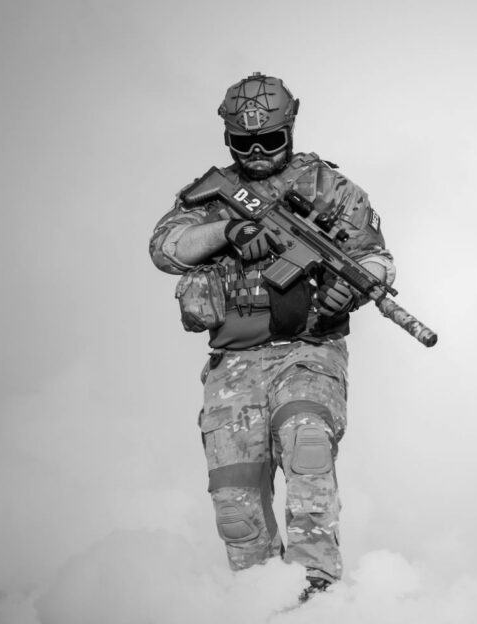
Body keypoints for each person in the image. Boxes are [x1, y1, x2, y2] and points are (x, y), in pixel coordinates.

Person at [149, 72, 395, 602]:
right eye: (244, 143)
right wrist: (228, 232)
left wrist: (351, 291)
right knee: (235, 506)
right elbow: (166, 247)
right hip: (233, 362)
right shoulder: (213, 194)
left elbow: (376, 258)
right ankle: (262, 602)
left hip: (307, 349)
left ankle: (316, 595)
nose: (258, 152)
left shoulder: (328, 188)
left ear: (291, 129)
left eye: (270, 140)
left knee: (308, 444)